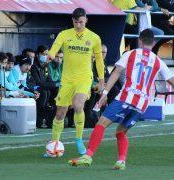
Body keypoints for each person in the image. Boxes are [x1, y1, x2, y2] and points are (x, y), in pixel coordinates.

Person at [68, 29, 174, 169]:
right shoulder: (159, 61)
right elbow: (171, 81)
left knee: (101, 124)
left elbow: (116, 72)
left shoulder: (130, 54)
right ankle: (121, 161)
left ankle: (87, 156)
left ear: (139, 40)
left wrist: (105, 93)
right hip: (141, 104)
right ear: (153, 43)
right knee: (121, 131)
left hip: (126, 97)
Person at [44, 7, 104, 157]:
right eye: (76, 22)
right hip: (67, 79)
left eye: (81, 22)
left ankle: (79, 140)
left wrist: (101, 81)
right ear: (73, 20)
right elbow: (55, 48)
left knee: (78, 105)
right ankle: (54, 144)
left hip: (84, 78)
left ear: (86, 20)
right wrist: (51, 55)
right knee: (60, 113)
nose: (78, 25)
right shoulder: (64, 34)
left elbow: (99, 61)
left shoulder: (94, 38)